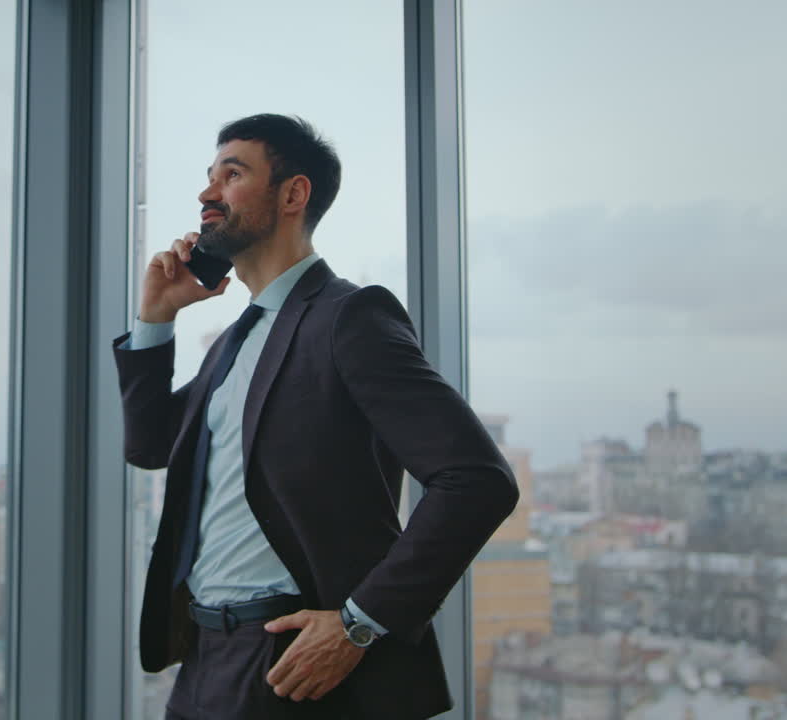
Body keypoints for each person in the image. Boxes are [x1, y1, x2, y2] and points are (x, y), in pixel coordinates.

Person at [112, 114, 519, 719]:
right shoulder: (233, 342)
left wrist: (359, 624)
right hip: (203, 662)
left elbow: (477, 480)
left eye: (233, 174)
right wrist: (156, 318)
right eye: (208, 176)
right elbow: (149, 447)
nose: (206, 194)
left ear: (293, 194)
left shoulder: (349, 317)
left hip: (296, 665)